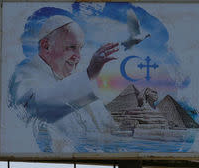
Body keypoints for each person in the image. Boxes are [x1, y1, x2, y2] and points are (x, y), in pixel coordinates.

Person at [8, 15, 119, 152]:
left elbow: (110, 129)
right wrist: (89, 74)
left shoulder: (79, 83)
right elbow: (35, 109)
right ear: (46, 46)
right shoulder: (24, 75)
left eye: (80, 48)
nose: (78, 57)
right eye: (71, 47)